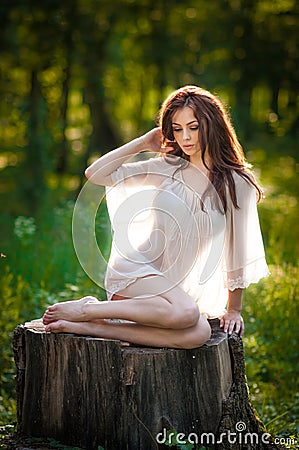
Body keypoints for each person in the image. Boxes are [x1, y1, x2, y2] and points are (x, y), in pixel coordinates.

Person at [42, 85, 269, 349]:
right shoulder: (167, 167)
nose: (186, 137)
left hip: (171, 295)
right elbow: (96, 174)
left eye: (194, 127)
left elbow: (236, 251)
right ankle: (89, 311)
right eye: (177, 128)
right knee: (187, 314)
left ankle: (97, 326)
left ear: (213, 125)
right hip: (136, 273)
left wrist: (234, 309)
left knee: (198, 334)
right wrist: (141, 143)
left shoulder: (237, 183)